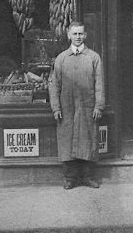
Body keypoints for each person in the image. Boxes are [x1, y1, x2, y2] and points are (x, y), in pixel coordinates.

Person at [49, 21, 105, 190]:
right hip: (67, 108)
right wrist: (56, 108)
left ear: (85, 35)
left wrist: (98, 106)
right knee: (68, 141)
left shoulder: (93, 58)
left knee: (88, 140)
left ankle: (88, 177)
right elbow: (54, 86)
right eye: (75, 34)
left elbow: (99, 84)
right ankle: (70, 178)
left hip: (87, 107)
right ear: (68, 35)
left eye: (81, 34)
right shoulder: (61, 58)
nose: (78, 37)